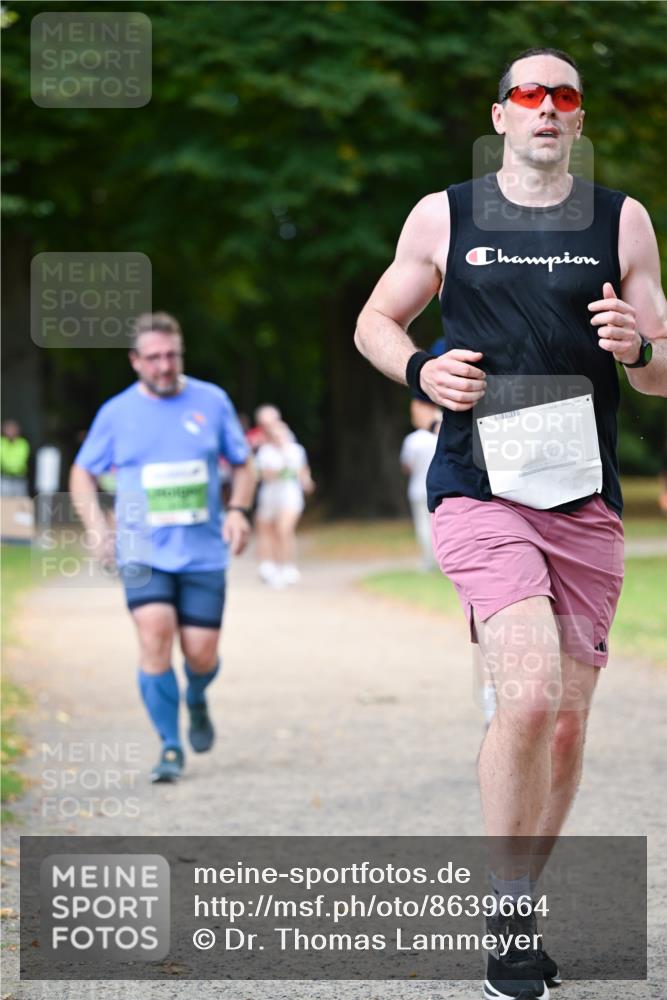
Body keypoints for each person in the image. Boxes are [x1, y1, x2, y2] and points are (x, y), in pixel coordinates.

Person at [355, 47, 667, 1000]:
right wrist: (419, 371)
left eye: (562, 97)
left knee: (566, 726)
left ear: (576, 120)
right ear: (500, 117)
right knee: (528, 697)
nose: (544, 109)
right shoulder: (443, 213)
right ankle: (503, 906)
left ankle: (521, 895)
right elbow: (376, 318)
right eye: (526, 95)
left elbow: (660, 368)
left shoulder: (622, 220)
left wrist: (639, 346)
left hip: (583, 501)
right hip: (478, 487)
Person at [70, 312, 255, 783]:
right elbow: (82, 471)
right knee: (154, 635)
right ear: (135, 361)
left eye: (172, 355)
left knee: (201, 653)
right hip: (141, 551)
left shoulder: (211, 401)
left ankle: (195, 693)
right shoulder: (115, 413)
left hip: (202, 553)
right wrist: (97, 527)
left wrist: (237, 510)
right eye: (153, 358)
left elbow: (243, 463)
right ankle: (169, 746)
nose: (165, 366)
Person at [254, 420, 314, 587]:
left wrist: (306, 481)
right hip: (270, 495)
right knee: (270, 532)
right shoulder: (265, 452)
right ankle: (273, 565)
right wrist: (279, 471)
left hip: (290, 495)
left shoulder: (296, 451)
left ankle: (287, 566)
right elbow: (263, 474)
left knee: (284, 530)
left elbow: (303, 470)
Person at [400, 409, 440, 570]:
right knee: (438, 525)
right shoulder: (439, 437)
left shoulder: (412, 440)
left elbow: (407, 466)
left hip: (418, 488)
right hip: (438, 488)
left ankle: (428, 559)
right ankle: (440, 558)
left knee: (423, 526)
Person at [1, 419, 30, 497]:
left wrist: (9, 465)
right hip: (5, 477)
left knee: (19, 501)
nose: (10, 432)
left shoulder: (23, 443)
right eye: (8, 429)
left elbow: (21, 460)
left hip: (19, 477)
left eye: (12, 429)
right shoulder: (1, 442)